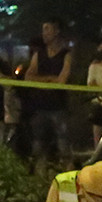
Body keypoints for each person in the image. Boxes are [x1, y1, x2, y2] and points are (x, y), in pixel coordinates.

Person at [21, 18, 75, 167]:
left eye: (47, 29)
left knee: (64, 146)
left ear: (57, 31)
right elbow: (28, 77)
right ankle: (40, 183)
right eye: (43, 29)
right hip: (40, 107)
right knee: (38, 148)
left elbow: (62, 81)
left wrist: (40, 82)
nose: (44, 33)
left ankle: (69, 181)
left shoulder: (66, 54)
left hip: (58, 108)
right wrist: (50, 79)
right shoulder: (39, 54)